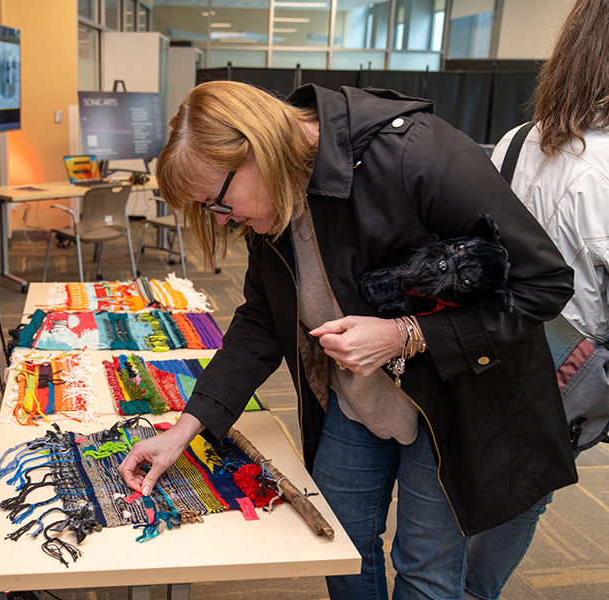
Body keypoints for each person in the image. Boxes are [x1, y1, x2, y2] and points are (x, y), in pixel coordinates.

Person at [118, 78, 578, 599]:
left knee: (425, 567)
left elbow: (543, 282)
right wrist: (187, 427)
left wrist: (405, 333)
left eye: (217, 203)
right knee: (342, 549)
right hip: (354, 396)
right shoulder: (274, 196)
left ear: (254, 151)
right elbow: (262, 321)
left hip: (453, 401)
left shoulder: (416, 152)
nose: (222, 220)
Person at [465, 1, 609, 598]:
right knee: (528, 492)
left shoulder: (515, 141)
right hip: (562, 369)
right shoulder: (601, 168)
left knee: (471, 482)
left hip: (490, 345)